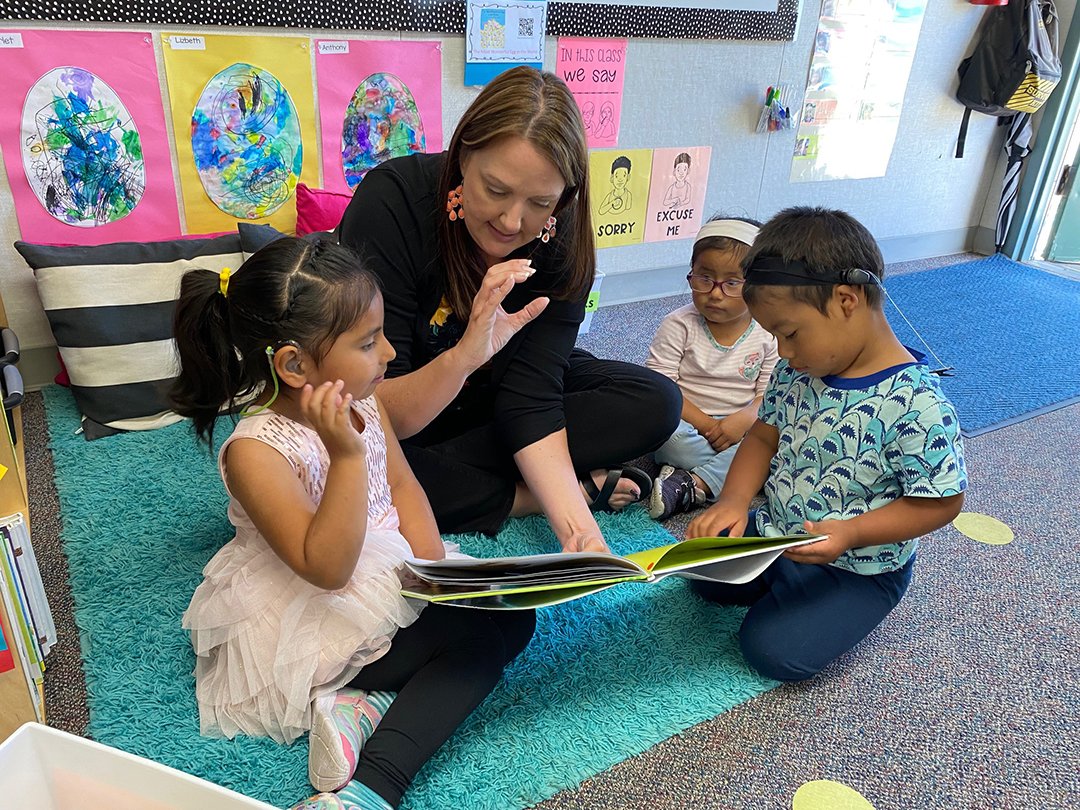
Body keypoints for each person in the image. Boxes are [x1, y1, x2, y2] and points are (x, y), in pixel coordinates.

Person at [171, 237, 536, 810]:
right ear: (294, 365)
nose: (390, 353)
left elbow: (400, 487)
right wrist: (344, 456)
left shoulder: (365, 402)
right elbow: (327, 568)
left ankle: (362, 705)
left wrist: (440, 578)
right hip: (310, 602)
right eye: (369, 342)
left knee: (513, 618)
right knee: (472, 644)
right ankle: (371, 789)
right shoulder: (256, 450)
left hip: (389, 566)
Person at [337, 66, 680, 554]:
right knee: (348, 456)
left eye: (540, 202)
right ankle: (521, 495)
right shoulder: (393, 201)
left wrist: (581, 534)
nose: (511, 220)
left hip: (496, 395)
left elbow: (532, 393)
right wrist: (464, 357)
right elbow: (373, 406)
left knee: (655, 401)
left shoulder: (562, 234)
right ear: (462, 156)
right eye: (495, 190)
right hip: (407, 399)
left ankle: (474, 477)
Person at [686, 207, 966, 682]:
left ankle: (826, 599)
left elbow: (943, 502)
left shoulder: (917, 403)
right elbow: (762, 436)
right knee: (699, 577)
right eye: (774, 336)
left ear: (845, 300)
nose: (784, 351)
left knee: (771, 652)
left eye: (789, 333)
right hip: (779, 535)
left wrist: (850, 534)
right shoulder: (797, 371)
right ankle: (777, 580)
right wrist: (733, 501)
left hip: (860, 566)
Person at [644, 217, 778, 521]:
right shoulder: (678, 324)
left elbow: (770, 395)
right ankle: (743, 472)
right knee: (669, 440)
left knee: (777, 436)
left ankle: (694, 484)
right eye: (704, 279)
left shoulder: (768, 332)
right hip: (686, 421)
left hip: (742, 426)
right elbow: (661, 388)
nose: (715, 293)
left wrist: (742, 420)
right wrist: (706, 424)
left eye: (731, 283)